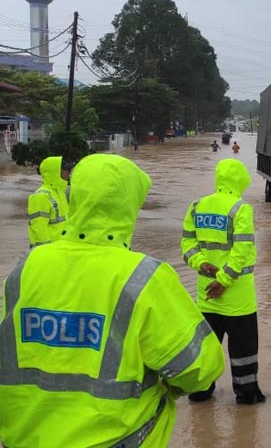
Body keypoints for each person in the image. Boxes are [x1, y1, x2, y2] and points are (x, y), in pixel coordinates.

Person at [0, 154, 225, 447]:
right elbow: (200, 369)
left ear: (75, 196)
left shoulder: (24, 268)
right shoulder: (145, 277)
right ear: (130, 205)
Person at [181, 158, 265, 405]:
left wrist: (200, 263)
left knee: (206, 348)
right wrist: (225, 280)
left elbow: (187, 244)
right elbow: (241, 250)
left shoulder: (197, 206)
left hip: (205, 295)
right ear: (240, 180)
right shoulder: (240, 208)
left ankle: (200, 392)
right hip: (238, 298)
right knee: (243, 353)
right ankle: (247, 395)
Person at [27, 156, 71, 249]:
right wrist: (46, 251)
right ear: (55, 172)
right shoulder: (41, 196)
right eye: (65, 169)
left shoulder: (60, 193)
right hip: (49, 250)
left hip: (61, 247)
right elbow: (39, 227)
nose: (68, 172)